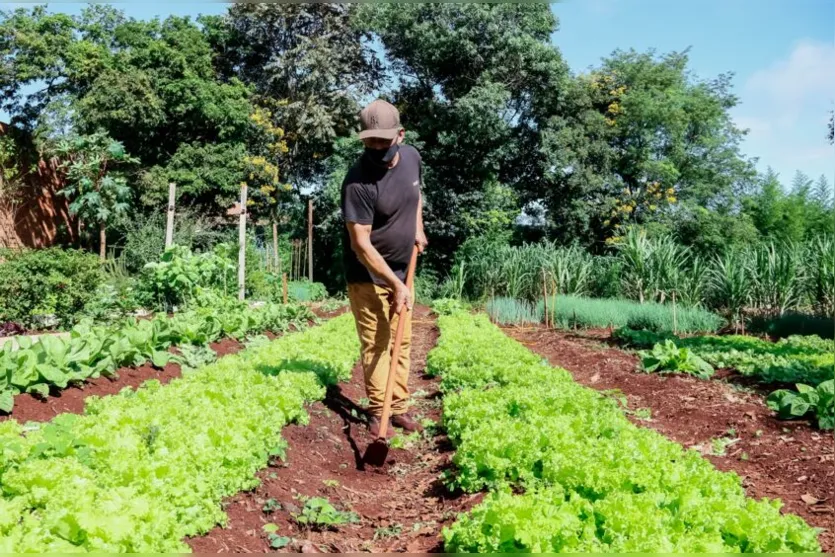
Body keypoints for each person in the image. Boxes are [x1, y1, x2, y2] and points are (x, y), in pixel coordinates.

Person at [341, 99, 428, 438]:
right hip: (367, 275)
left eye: (383, 140)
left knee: (402, 340)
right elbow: (360, 244)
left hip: (402, 269)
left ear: (400, 136)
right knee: (377, 342)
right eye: (369, 141)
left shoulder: (412, 159)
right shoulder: (357, 182)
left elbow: (415, 196)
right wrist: (395, 285)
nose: (375, 147)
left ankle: (400, 407)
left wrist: (417, 228)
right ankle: (380, 412)